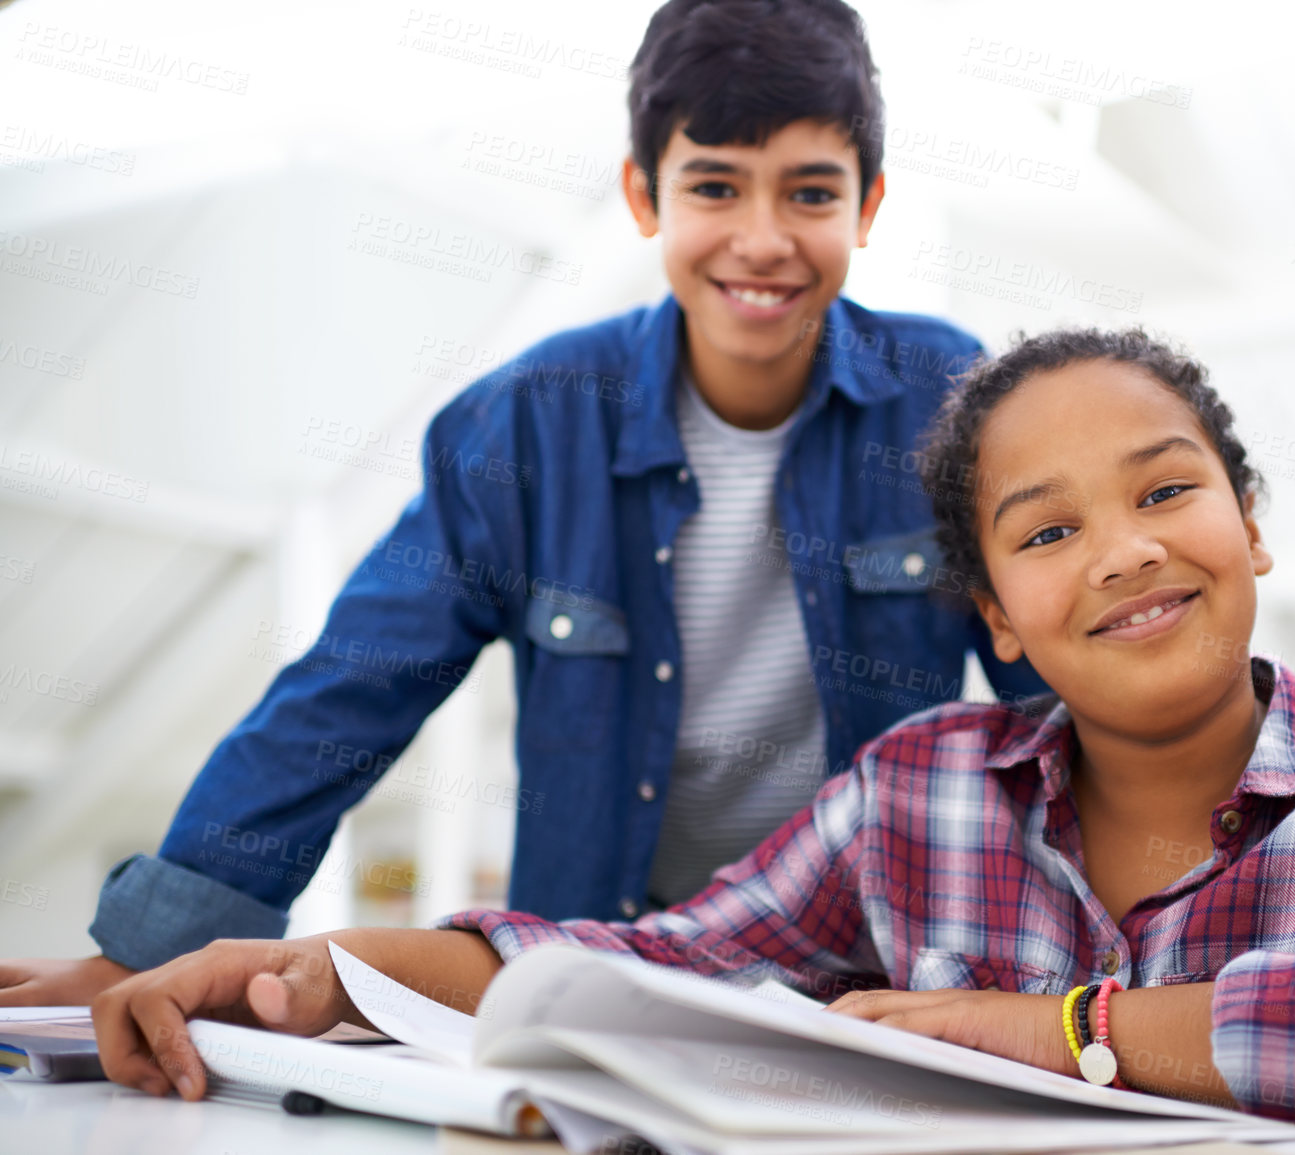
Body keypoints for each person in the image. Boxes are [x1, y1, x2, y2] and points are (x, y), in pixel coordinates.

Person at [90, 328, 1295, 1147]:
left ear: (1251, 525)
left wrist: (1057, 1029)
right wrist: (328, 969)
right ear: (991, 609)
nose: (1122, 549)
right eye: (1046, 532)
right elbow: (648, 962)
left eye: (1166, 489)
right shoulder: (914, 791)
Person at [0, 0, 1043, 1007]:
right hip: (604, 976)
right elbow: (349, 692)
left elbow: (1064, 702)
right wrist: (146, 949)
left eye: (810, 195)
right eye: (716, 188)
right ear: (645, 196)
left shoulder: (951, 403)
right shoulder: (525, 428)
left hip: (881, 981)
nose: (762, 239)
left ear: (868, 204)